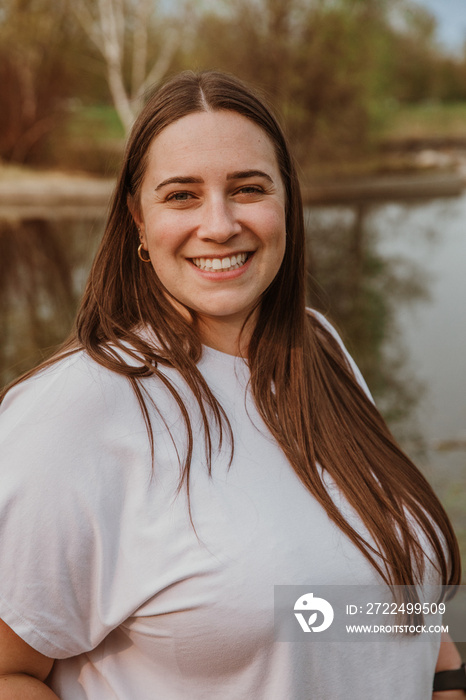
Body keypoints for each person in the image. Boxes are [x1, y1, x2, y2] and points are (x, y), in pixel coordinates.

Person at [0, 70, 463, 700]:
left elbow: (380, 589)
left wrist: (445, 681)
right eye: (182, 195)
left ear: (286, 204)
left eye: (248, 188)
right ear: (138, 218)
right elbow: (9, 671)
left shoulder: (318, 347)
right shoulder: (71, 413)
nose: (219, 225)